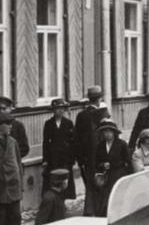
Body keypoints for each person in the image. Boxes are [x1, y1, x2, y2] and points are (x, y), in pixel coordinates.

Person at [74, 85, 108, 216]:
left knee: (90, 184)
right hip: (102, 155)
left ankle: (90, 211)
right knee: (102, 182)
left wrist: (80, 159)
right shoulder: (103, 114)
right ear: (99, 99)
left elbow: (77, 139)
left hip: (87, 158)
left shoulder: (82, 115)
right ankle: (100, 210)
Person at [93, 118, 131, 218]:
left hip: (119, 175)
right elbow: (96, 162)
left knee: (119, 198)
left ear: (114, 132)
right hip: (106, 177)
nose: (107, 134)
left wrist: (128, 177)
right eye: (105, 132)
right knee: (106, 200)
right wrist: (102, 165)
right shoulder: (100, 146)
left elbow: (128, 161)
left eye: (109, 131)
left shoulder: (121, 144)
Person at [42, 98, 76, 201]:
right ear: (53, 110)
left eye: (62, 109)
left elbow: (72, 142)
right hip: (53, 158)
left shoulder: (68, 123)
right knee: (53, 180)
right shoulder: (48, 124)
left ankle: (63, 200)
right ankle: (55, 200)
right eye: (57, 109)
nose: (60, 111)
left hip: (65, 158)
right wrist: (45, 159)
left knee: (65, 180)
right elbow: (46, 142)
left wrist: (72, 158)